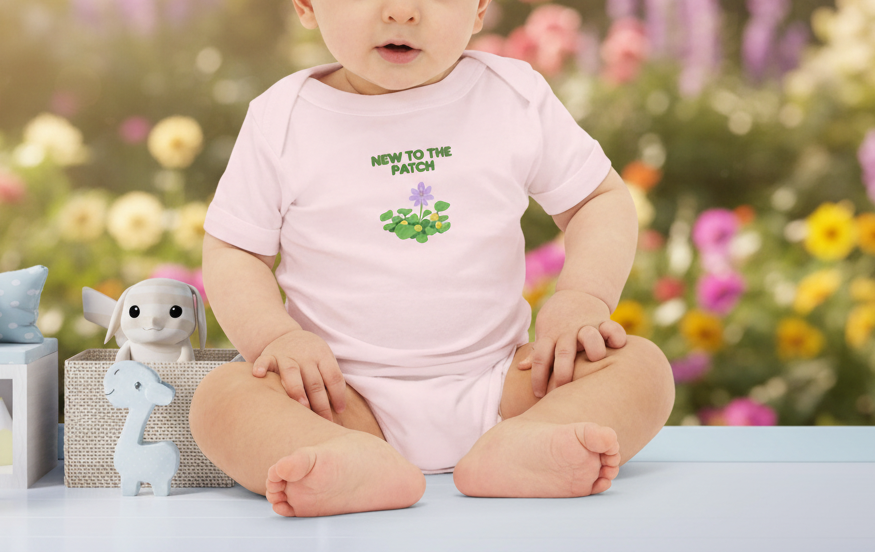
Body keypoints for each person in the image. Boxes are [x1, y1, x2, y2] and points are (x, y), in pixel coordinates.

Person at [190, 0, 675, 518]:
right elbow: (235, 249)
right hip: (338, 397)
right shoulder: (282, 119)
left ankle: (528, 443)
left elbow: (596, 201)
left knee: (641, 368)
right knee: (221, 399)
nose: (402, 11)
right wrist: (276, 339)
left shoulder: (512, 95)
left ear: (481, 8)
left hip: (507, 385)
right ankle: (347, 458)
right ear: (308, 6)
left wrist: (582, 298)